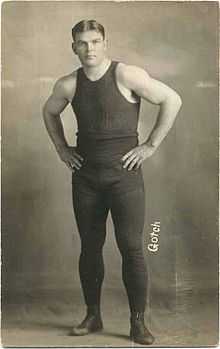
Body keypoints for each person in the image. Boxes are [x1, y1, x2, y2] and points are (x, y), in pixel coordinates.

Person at [43, 19, 182, 345]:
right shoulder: (68, 84)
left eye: (95, 41)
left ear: (104, 43)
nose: (89, 48)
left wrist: (149, 146)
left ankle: (137, 323)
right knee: (90, 248)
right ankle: (92, 315)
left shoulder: (125, 74)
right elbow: (48, 112)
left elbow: (172, 100)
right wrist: (62, 148)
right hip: (87, 180)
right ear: (73, 47)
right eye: (82, 43)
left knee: (132, 248)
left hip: (124, 180)